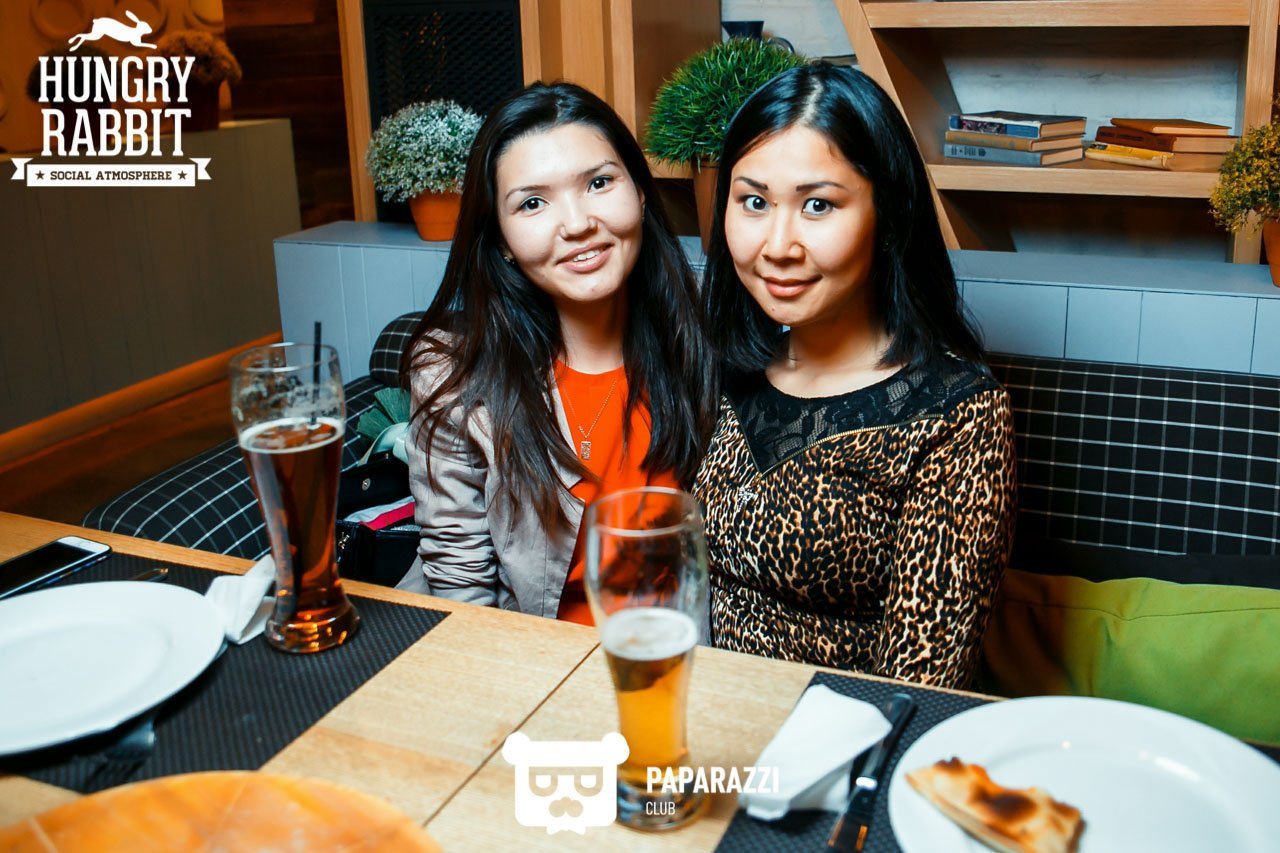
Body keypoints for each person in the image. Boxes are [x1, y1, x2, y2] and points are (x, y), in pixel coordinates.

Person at [693, 63, 1016, 689]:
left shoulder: (958, 417)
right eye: (754, 202)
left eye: (818, 205)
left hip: (844, 737)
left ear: (886, 215)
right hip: (698, 717)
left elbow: (918, 686)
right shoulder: (721, 370)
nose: (777, 246)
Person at [396, 82, 716, 624]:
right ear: (501, 238)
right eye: (532, 203)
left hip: (676, 654)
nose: (576, 224)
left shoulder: (707, 342)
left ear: (641, 192)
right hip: (529, 658)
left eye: (598, 183)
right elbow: (461, 586)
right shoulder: (455, 376)